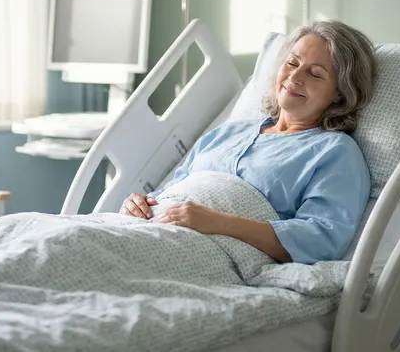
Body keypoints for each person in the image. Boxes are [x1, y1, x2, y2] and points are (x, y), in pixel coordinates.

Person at [119, 20, 377, 265]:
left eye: (315, 74)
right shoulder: (226, 133)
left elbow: (321, 239)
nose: (295, 77)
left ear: (340, 93)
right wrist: (140, 204)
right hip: (146, 228)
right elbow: (173, 192)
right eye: (292, 63)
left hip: (202, 253)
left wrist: (217, 222)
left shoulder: (335, 152)